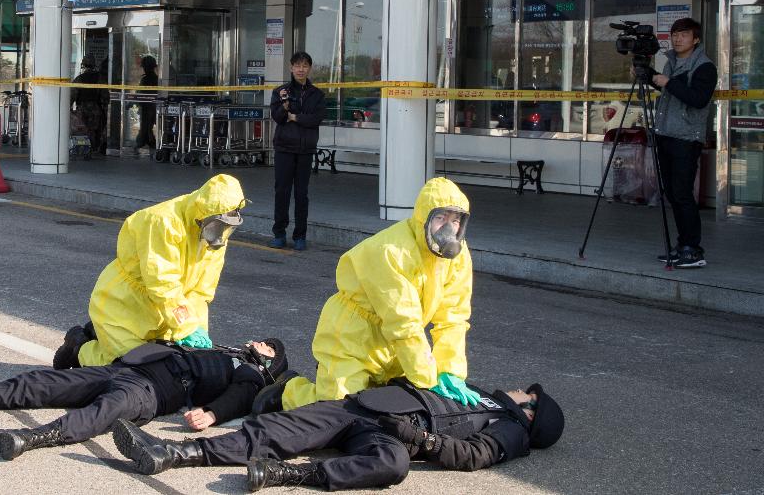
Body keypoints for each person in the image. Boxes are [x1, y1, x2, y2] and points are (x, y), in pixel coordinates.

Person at [111, 376, 564, 491]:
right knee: (279, 428)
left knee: (393, 465)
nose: (519, 388)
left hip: (397, 435)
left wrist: (418, 437)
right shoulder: (477, 393)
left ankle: (288, 476)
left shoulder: (510, 431)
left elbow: (471, 456)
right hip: (367, 406)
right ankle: (170, 453)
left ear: (530, 412)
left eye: (527, 392)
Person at [0, 338, 289, 460]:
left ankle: (29, 440)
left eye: (268, 346)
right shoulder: (220, 349)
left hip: (149, 393)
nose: (258, 342)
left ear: (271, 360)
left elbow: (241, 396)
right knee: (39, 384)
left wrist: (212, 413)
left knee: (102, 413)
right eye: (261, 339)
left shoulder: (250, 372)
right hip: (124, 370)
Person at [271, 177, 474, 412]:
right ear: (423, 218)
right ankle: (288, 391)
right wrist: (428, 381)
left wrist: (450, 371)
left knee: (385, 407)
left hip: (394, 343)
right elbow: (403, 322)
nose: (449, 229)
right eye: (440, 218)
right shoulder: (391, 251)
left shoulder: (457, 257)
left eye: (455, 220)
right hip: (353, 335)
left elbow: (454, 317)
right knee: (337, 409)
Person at [54, 174, 247, 369]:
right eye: (219, 226)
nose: (222, 234)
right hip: (124, 305)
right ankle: (79, 349)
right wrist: (186, 327)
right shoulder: (163, 222)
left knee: (163, 366)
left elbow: (201, 291)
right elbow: (162, 283)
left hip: (166, 312)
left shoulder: (214, 230)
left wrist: (197, 329)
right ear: (203, 214)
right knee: (126, 367)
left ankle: (98, 336)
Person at [648, 17, 718, 269]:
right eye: (675, 34)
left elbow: (698, 99)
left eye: (684, 35)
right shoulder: (672, 62)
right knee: (672, 194)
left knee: (682, 193)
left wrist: (669, 82)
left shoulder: (704, 67)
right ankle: (682, 245)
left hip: (686, 139)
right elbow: (669, 92)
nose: (677, 39)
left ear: (696, 39)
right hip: (665, 134)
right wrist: (650, 76)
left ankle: (693, 249)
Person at [269, 51, 325, 251]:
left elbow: (315, 119)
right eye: (297, 65)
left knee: (302, 194)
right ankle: (279, 233)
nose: (301, 69)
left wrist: (295, 117)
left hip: (305, 150)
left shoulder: (317, 94)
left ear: (309, 68)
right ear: (291, 68)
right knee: (281, 192)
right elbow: (277, 117)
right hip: (284, 148)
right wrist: (285, 108)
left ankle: (300, 235)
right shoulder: (281, 92)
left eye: (305, 66)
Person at [71, 56, 108, 155]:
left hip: (82, 108)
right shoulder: (100, 78)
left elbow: (72, 95)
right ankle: (93, 148)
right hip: (95, 108)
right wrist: (104, 107)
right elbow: (105, 95)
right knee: (94, 129)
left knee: (83, 129)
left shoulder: (79, 78)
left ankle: (85, 148)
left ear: (83, 65)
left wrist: (70, 107)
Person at [135, 54, 160, 152]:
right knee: (148, 127)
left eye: (144, 67)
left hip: (146, 108)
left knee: (145, 127)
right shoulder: (156, 79)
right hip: (152, 108)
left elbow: (140, 94)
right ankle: (148, 142)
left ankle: (143, 142)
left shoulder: (145, 79)